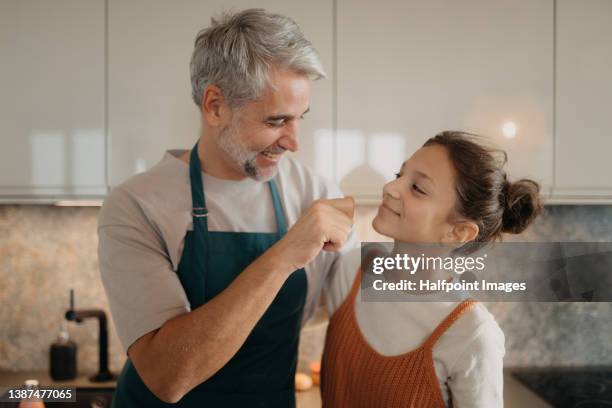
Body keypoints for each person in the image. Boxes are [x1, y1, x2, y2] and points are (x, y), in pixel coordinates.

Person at [97, 9, 357, 407]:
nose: (293, 142)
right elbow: (168, 376)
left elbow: (365, 299)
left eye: (299, 118)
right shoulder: (136, 205)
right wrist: (286, 254)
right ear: (215, 106)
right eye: (276, 121)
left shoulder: (314, 193)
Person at [321, 131, 543, 407]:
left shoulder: (472, 333)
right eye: (399, 174)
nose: (391, 187)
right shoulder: (352, 268)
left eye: (418, 188)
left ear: (459, 232)